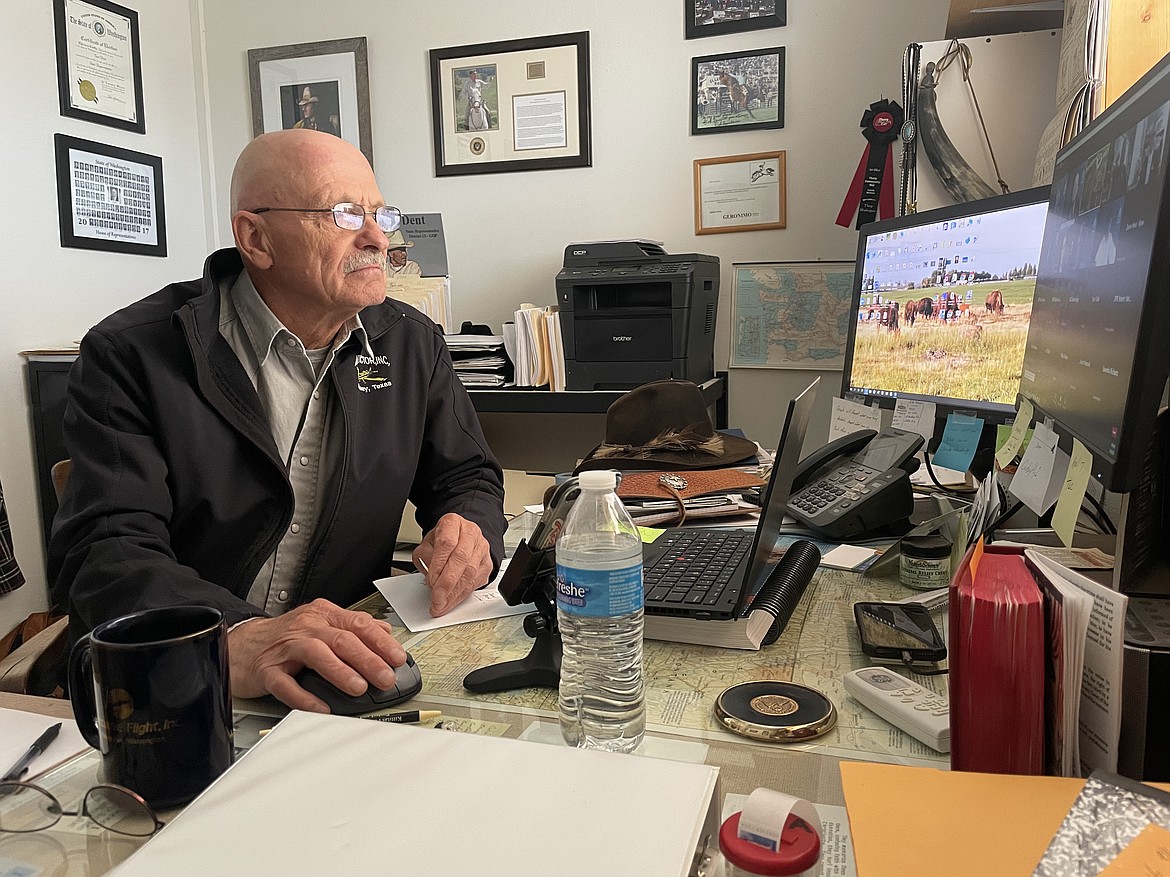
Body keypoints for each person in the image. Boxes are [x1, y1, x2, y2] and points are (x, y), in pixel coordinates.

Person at [49, 129, 507, 712]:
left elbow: (467, 476)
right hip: (184, 670)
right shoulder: (133, 353)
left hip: (341, 669)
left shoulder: (411, 345)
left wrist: (468, 525)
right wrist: (237, 635)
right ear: (256, 238)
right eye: (344, 215)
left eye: (380, 213)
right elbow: (106, 548)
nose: (378, 238)